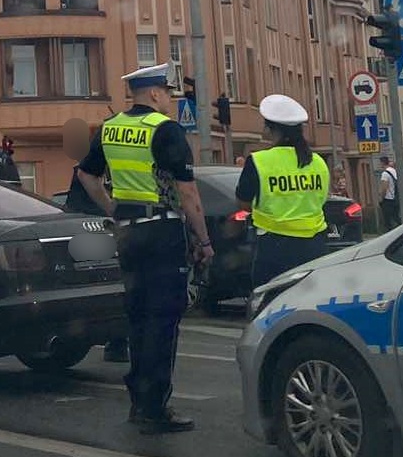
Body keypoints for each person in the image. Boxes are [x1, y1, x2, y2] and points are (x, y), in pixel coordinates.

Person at [76, 63, 213, 434]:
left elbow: (86, 174)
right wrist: (203, 240)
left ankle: (139, 399)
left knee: (137, 318)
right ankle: (155, 405)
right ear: (154, 93)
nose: (169, 99)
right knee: (164, 320)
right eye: (167, 93)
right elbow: (188, 193)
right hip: (162, 233)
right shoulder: (165, 130)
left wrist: (112, 208)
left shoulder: (110, 128)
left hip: (128, 235)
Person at [235, 94, 330, 289]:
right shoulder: (318, 161)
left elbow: (243, 203)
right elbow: (322, 199)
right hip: (315, 247)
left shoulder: (259, 161)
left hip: (274, 248)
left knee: (270, 307)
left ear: (271, 130)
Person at [62, 118, 129, 363]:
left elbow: (72, 208)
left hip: (108, 235)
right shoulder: (90, 169)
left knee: (116, 289)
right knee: (110, 289)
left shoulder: (105, 167)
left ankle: (117, 341)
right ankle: (115, 341)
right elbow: (76, 209)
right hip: (96, 236)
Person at [378, 156, 400, 231]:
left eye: (380, 163)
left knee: (387, 221)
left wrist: (381, 198)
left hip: (388, 199)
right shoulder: (394, 171)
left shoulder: (385, 173)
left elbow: (384, 187)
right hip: (396, 198)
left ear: (382, 163)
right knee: (396, 217)